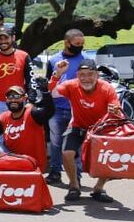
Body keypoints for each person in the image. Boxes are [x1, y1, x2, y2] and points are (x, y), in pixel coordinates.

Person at [48, 59, 122, 202]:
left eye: (90, 74)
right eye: (82, 74)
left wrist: (115, 111)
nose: (86, 78)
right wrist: (57, 74)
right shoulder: (72, 85)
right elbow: (52, 92)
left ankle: (99, 188)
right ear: (77, 75)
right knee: (66, 153)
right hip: (78, 126)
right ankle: (74, 186)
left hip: (101, 129)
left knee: (108, 158)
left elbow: (117, 109)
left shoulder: (107, 88)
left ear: (97, 75)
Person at [0, 84, 54, 176]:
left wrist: (45, 92)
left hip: (32, 162)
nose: (13, 100)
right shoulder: (4, 117)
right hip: (10, 158)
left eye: (17, 96)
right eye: (10, 97)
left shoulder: (32, 113)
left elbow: (49, 112)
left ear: (24, 98)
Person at [45, 29, 87, 183]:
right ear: (67, 42)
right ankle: (55, 171)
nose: (80, 46)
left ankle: (76, 176)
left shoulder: (86, 61)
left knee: (75, 144)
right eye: (77, 44)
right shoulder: (53, 60)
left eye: (82, 44)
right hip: (56, 107)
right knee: (55, 142)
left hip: (77, 110)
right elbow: (48, 83)